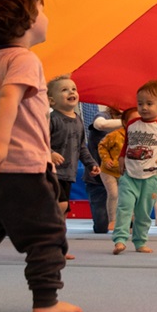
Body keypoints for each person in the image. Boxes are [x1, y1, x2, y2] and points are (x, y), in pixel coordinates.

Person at [0, 0, 82, 312]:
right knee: (48, 233)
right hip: (23, 170)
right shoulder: (24, 60)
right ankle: (46, 301)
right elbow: (9, 98)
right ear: (27, 20)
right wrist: (0, 144)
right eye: (41, 9)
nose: (45, 16)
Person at [113, 80, 157, 255]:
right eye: (140, 103)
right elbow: (127, 143)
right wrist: (121, 158)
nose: (144, 108)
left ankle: (140, 241)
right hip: (130, 175)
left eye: (149, 104)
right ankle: (120, 239)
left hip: (150, 178)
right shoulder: (132, 124)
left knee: (143, 212)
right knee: (124, 207)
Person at [47, 75, 101, 256]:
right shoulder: (51, 119)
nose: (71, 92)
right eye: (64, 90)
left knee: (62, 213)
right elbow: (38, 142)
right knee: (60, 206)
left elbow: (81, 148)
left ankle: (58, 248)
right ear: (51, 100)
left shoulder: (78, 120)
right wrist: (49, 153)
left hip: (68, 175)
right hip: (51, 172)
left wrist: (91, 164)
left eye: (73, 89)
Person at [98, 107, 139, 230]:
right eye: (133, 121)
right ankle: (113, 220)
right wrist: (106, 160)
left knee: (130, 196)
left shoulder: (140, 137)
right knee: (114, 194)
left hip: (126, 171)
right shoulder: (114, 135)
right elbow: (102, 146)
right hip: (109, 171)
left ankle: (131, 222)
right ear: (125, 123)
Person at [86, 105, 122, 233]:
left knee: (130, 225)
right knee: (102, 227)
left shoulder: (133, 127)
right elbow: (100, 125)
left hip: (121, 177)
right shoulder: (102, 117)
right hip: (98, 180)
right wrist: (128, 121)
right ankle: (110, 220)